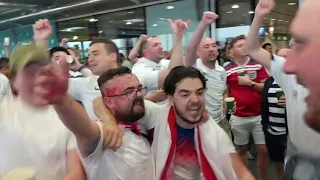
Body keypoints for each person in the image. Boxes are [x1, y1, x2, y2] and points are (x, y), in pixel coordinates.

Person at [94, 66, 255, 180]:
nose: (195, 100)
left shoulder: (209, 128)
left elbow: (240, 172)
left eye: (199, 93)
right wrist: (108, 121)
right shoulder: (156, 116)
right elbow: (99, 101)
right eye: (184, 95)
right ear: (169, 98)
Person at [246, 0, 320, 178]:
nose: (289, 65)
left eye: (301, 45)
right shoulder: (287, 74)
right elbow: (253, 48)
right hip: (296, 161)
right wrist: (259, 16)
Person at [0, 44, 85, 180]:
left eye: (42, 72)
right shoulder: (3, 113)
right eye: (28, 73)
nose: (37, 80)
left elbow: (76, 172)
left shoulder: (66, 118)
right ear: (14, 81)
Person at [224, 35, 269, 180]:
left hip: (259, 115)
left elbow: (265, 87)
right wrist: (225, 101)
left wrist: (250, 83)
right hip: (238, 116)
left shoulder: (257, 64)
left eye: (245, 44)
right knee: (241, 149)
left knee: (263, 150)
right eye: (240, 45)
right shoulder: (227, 69)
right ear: (231, 51)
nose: (244, 47)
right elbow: (225, 92)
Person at [184, 11, 231, 137]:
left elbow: (224, 91)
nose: (211, 49)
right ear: (199, 52)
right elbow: (190, 49)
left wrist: (225, 102)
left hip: (221, 121)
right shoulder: (194, 67)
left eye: (213, 46)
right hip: (201, 124)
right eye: (206, 46)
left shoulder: (221, 70)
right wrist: (204, 23)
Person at [131, 20, 188, 104]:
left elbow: (181, 66)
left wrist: (180, 36)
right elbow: (173, 72)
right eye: (155, 45)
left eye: (160, 44)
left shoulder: (163, 62)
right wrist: (178, 36)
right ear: (145, 51)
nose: (161, 47)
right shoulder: (139, 69)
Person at [261, 75, 287, 180]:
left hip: (291, 133)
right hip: (272, 131)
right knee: (278, 164)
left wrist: (292, 102)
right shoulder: (270, 81)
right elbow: (264, 104)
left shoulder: (297, 79)